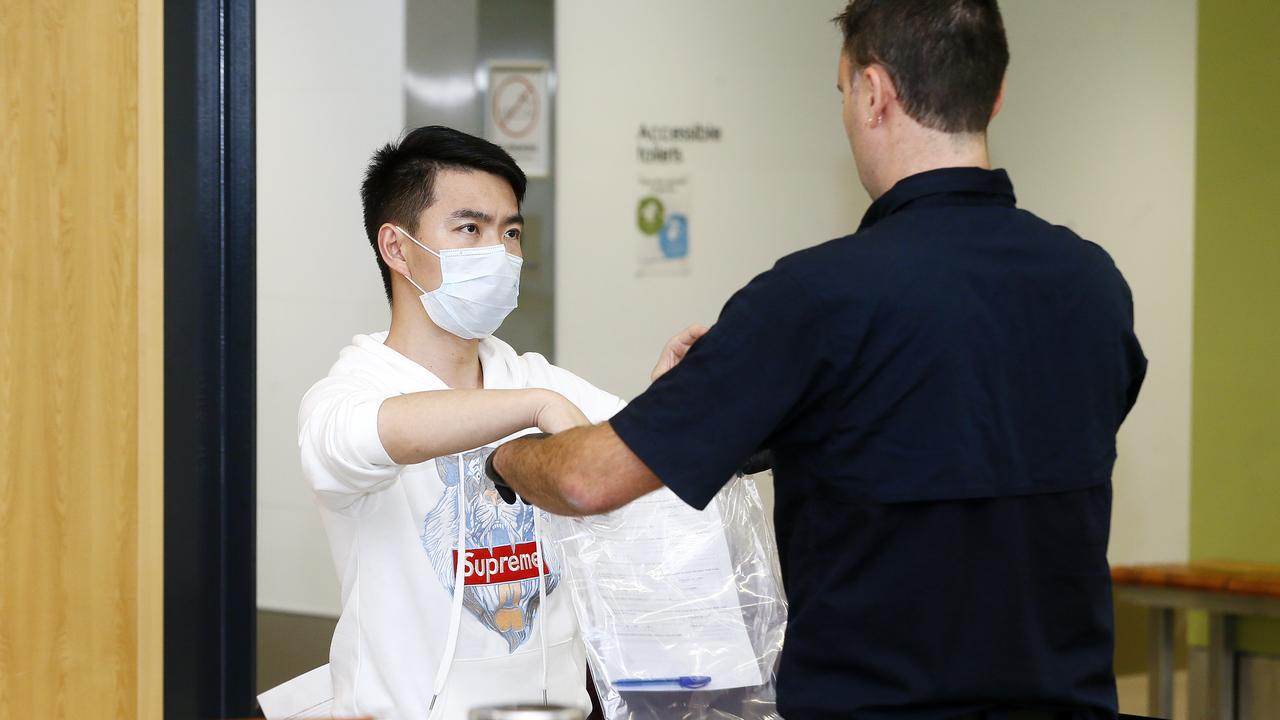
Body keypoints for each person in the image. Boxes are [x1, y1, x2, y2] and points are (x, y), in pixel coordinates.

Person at [485, 1, 1148, 718]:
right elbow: (956, 432)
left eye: (842, 93)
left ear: (872, 93)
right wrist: (745, 410)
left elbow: (588, 480)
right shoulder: (1093, 286)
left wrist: (507, 457)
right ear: (995, 94)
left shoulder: (814, 298)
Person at [297, 125, 700, 719]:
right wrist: (533, 408)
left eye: (510, 232)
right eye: (470, 229)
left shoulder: (535, 376)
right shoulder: (349, 392)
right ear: (398, 248)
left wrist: (670, 406)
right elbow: (381, 432)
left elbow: (634, 459)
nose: (500, 252)